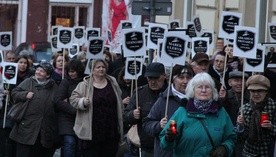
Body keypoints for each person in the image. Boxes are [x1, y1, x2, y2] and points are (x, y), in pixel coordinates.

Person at [159, 72, 237, 157]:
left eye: (207, 87)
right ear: (193, 90)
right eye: (199, 87)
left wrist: (225, 147)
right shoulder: (182, 112)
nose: (203, 90)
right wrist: (169, 139)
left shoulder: (221, 112)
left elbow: (231, 138)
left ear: (213, 90)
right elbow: (165, 144)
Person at [69, 59, 124, 157]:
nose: (101, 69)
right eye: (98, 67)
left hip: (110, 131)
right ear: (92, 70)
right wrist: (82, 102)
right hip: (91, 133)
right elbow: (73, 99)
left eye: (103, 67)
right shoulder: (84, 85)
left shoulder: (113, 83)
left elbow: (119, 99)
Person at [143, 64, 194, 157]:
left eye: (189, 77)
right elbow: (147, 124)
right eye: (181, 77)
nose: (185, 81)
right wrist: (159, 125)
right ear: (173, 79)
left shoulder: (198, 100)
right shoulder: (163, 100)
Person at [9, 62, 58, 157]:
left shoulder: (53, 86)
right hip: (27, 127)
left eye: (42, 71)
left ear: (48, 75)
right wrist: (24, 95)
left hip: (44, 129)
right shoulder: (29, 82)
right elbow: (14, 93)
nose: (38, 72)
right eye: (38, 70)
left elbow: (57, 103)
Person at [124, 62, 167, 157]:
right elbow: (125, 115)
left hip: (168, 147)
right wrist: (132, 114)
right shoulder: (140, 93)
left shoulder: (171, 93)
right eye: (150, 78)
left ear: (164, 76)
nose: (152, 81)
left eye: (156, 78)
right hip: (147, 147)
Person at [0, 55, 34, 157]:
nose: (22, 65)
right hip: (8, 109)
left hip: (23, 110)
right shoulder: (7, 75)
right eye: (20, 62)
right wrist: (4, 91)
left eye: (25, 63)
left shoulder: (30, 77)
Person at [236, 75, 276, 156]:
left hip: (268, 153)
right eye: (253, 91)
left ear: (266, 92)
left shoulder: (274, 108)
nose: (256, 94)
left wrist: (271, 127)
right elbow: (240, 138)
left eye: (260, 91)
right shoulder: (244, 109)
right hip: (249, 153)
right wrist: (240, 126)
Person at [54, 59, 85, 157]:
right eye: (69, 72)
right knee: (69, 142)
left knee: (80, 146)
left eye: (73, 71)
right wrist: (74, 110)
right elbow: (58, 100)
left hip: (82, 119)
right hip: (67, 118)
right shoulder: (66, 82)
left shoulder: (85, 81)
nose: (71, 74)